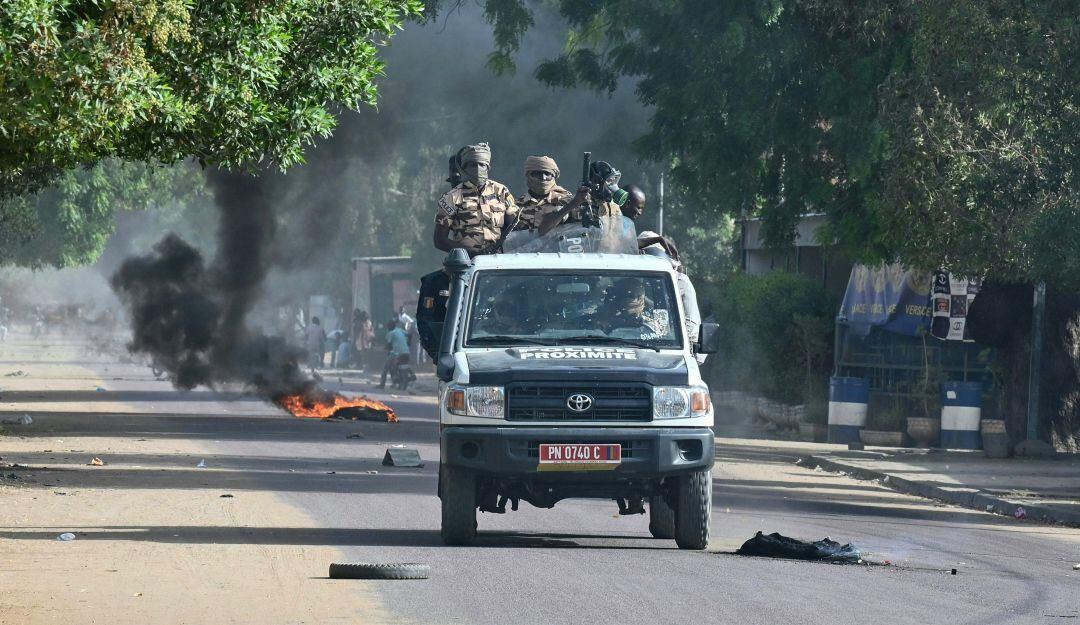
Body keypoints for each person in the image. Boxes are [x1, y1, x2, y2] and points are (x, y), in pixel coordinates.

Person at [433, 142, 519, 257]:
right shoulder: (451, 197)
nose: (478, 169)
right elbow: (439, 240)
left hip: (500, 260)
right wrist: (474, 253)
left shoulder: (501, 191)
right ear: (464, 168)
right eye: (472, 165)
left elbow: (513, 227)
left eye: (482, 165)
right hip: (467, 263)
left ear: (488, 167)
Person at [539, 160, 626, 236]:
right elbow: (543, 230)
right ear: (595, 183)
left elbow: (619, 238)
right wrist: (574, 204)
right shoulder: (573, 202)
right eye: (609, 181)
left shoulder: (614, 207)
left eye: (614, 181)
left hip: (606, 255)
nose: (613, 185)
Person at [514, 156, 573, 231]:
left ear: (553, 176)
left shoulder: (567, 201)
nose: (543, 178)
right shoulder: (517, 206)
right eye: (537, 174)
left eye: (547, 174)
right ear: (528, 175)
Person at [379, 319, 412, 390]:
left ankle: (382, 384)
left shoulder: (391, 333)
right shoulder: (399, 330)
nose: (388, 328)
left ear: (390, 327)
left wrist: (383, 348)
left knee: (385, 368)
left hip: (397, 353)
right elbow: (410, 335)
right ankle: (410, 374)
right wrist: (408, 343)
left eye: (388, 326)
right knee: (401, 364)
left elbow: (389, 345)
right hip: (406, 352)